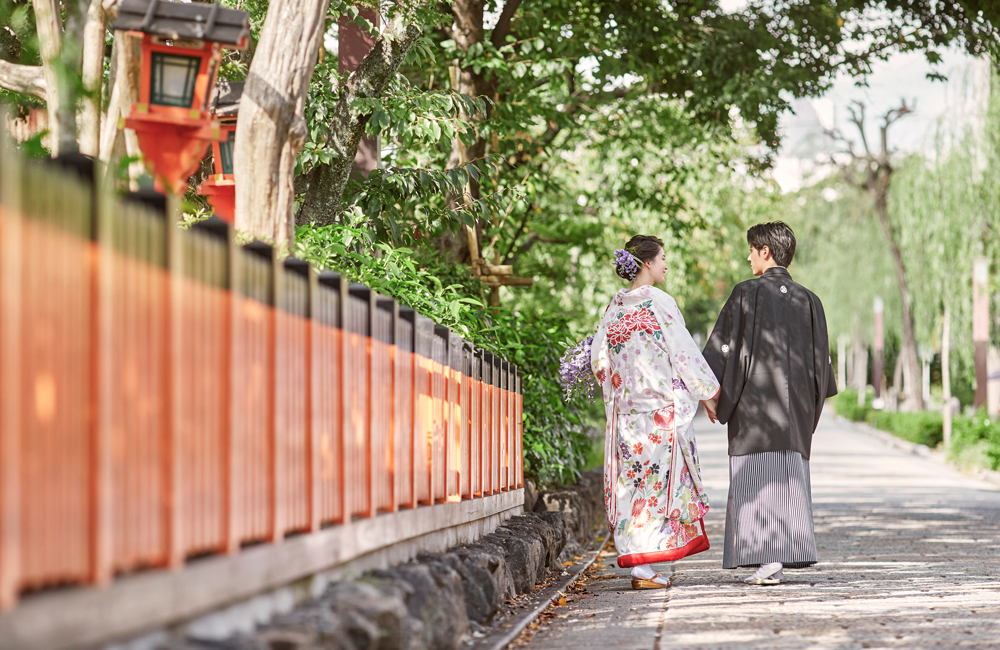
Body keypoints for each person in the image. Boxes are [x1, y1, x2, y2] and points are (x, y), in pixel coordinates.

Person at [702, 222, 837, 585]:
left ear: (766, 252)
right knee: (786, 480)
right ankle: (775, 560)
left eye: (751, 249)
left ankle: (768, 561)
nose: (748, 256)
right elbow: (822, 367)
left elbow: (721, 350)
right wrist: (806, 407)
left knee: (755, 479)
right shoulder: (810, 300)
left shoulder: (746, 293)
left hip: (753, 411)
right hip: (794, 413)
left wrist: (711, 396)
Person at [591, 235, 721, 590]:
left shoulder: (614, 308)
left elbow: (598, 362)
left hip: (626, 419)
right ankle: (643, 568)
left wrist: (621, 391)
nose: (666, 264)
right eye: (663, 257)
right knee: (654, 487)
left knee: (631, 486)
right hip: (659, 416)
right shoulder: (659, 303)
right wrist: (707, 394)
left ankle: (640, 565)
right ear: (647, 262)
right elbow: (683, 353)